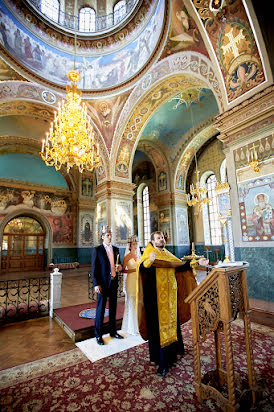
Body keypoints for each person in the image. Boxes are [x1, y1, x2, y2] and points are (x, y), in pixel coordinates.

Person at [137, 231, 208, 376]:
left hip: (170, 297)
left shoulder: (167, 254)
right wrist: (149, 261)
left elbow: (180, 264)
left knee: (172, 325)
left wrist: (197, 262)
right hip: (155, 300)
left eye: (162, 238)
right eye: (158, 238)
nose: (161, 240)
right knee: (159, 330)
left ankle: (175, 351)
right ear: (152, 241)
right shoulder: (150, 253)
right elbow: (142, 268)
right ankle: (162, 362)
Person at [91, 227, 124, 345]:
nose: (110, 237)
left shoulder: (116, 249)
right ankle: (98, 335)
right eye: (108, 235)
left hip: (114, 282)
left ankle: (113, 331)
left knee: (113, 308)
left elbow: (118, 264)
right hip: (103, 284)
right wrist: (96, 284)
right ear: (102, 236)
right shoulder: (97, 250)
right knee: (100, 310)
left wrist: (119, 267)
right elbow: (94, 269)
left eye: (111, 235)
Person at [121, 236, 140, 336]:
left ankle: (137, 325)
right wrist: (134, 270)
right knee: (131, 301)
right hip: (130, 280)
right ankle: (131, 327)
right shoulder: (127, 256)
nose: (135, 246)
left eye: (136, 243)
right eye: (134, 244)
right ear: (129, 245)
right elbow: (123, 270)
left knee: (137, 302)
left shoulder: (138, 256)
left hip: (137, 280)